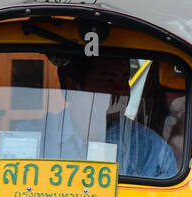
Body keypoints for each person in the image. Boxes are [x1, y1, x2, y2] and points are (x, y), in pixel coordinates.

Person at [36, 55, 178, 179]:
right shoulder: (37, 137)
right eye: (107, 80)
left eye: (124, 80)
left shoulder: (151, 148)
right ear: (73, 87)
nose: (121, 90)